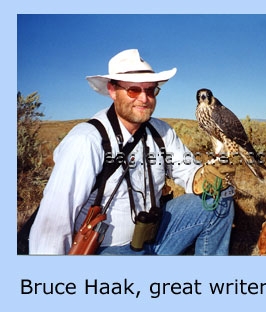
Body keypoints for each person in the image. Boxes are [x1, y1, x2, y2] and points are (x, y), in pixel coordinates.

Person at [29, 49, 235, 255]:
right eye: (134, 90)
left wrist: (205, 177)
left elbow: (188, 171)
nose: (144, 99)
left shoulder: (162, 132)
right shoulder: (86, 140)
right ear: (112, 90)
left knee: (218, 201)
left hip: (155, 236)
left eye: (151, 90)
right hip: (106, 250)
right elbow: (53, 223)